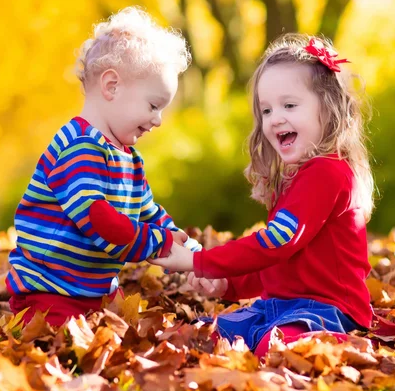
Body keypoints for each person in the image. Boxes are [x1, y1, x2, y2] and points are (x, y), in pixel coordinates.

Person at [148, 34, 375, 356]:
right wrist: (230, 285)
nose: (275, 118)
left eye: (290, 105)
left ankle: (340, 346)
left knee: (279, 346)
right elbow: (280, 266)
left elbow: (276, 242)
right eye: (266, 110)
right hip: (277, 306)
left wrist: (200, 262)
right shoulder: (298, 178)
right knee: (195, 335)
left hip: (329, 310)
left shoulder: (328, 172)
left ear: (329, 108)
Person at [6, 6, 198, 326]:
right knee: (63, 340)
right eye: (153, 105)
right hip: (50, 291)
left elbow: (146, 209)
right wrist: (158, 243)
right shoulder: (77, 147)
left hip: (94, 290)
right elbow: (100, 220)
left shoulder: (128, 157)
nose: (159, 120)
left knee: (134, 329)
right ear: (112, 86)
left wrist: (182, 242)